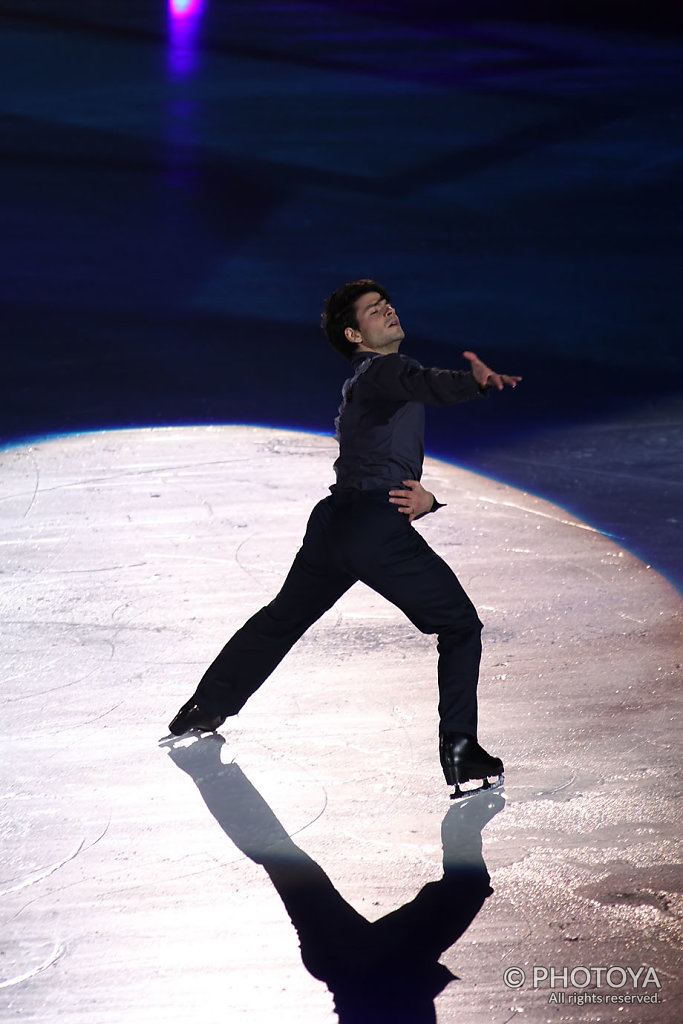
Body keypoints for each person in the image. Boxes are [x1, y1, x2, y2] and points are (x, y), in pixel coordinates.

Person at [169, 279, 521, 796]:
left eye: (388, 305)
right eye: (375, 312)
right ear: (356, 333)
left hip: (335, 524)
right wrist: (476, 383)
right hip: (374, 527)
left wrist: (427, 500)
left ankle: (206, 706)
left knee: (282, 618)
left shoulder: (366, 382)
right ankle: (461, 749)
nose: (389, 312)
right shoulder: (387, 371)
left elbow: (386, 444)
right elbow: (426, 382)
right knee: (460, 626)